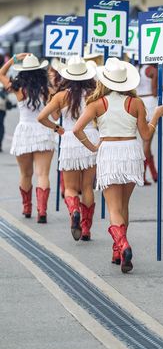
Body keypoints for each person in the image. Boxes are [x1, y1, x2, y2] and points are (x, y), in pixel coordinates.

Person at [73, 57, 163, 273]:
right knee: (124, 206)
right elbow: (145, 134)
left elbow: (77, 129)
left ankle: (122, 245)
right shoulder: (137, 103)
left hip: (109, 150)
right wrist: (156, 118)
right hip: (131, 151)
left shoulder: (96, 104)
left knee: (113, 207)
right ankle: (118, 250)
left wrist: (92, 147)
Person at [38, 56, 98, 241]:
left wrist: (57, 128)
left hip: (70, 138)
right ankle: (86, 229)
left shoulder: (61, 96)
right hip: (91, 138)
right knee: (87, 187)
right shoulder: (94, 94)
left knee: (71, 188)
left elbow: (41, 117)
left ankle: (74, 212)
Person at [0, 53, 56, 222]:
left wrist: (14, 59)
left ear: (22, 72)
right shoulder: (48, 90)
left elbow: (1, 74)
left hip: (24, 131)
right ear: (40, 71)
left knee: (25, 174)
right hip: (43, 130)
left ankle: (27, 207)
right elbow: (55, 112)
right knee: (43, 174)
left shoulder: (18, 88)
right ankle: (42, 210)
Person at [136, 63, 158, 185]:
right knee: (147, 141)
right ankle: (143, 175)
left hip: (139, 101)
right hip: (150, 104)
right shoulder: (152, 70)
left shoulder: (136, 69)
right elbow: (155, 92)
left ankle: (154, 173)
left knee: (144, 142)